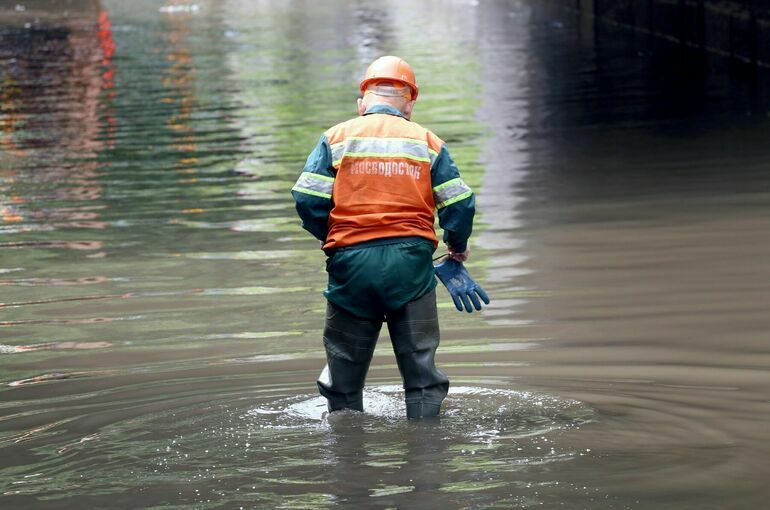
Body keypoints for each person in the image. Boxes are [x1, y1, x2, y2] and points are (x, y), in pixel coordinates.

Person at [291, 55, 475, 419]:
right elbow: (460, 203)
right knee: (422, 377)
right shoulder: (427, 142)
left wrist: (334, 238)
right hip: (411, 265)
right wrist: (456, 248)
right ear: (409, 103)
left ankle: (346, 452)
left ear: (363, 102)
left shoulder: (335, 137)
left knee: (343, 376)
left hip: (351, 266)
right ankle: (427, 456)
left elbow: (307, 197)